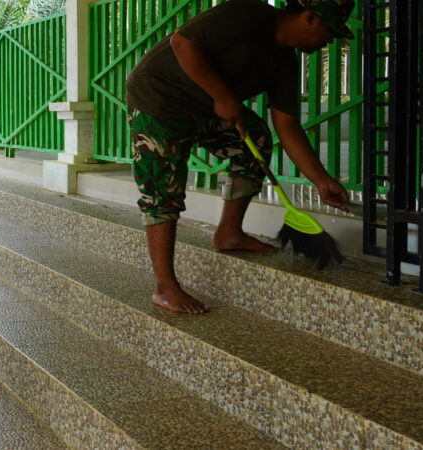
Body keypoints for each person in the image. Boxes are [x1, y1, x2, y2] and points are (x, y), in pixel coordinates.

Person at [126, 0, 353, 314]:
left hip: (205, 105)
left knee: (255, 142)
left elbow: (286, 125)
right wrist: (222, 95)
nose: (331, 40)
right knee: (162, 188)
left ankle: (229, 233)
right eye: (331, 31)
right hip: (159, 98)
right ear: (310, 18)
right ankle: (164, 287)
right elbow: (183, 42)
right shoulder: (247, 14)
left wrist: (321, 180)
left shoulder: (284, 63)